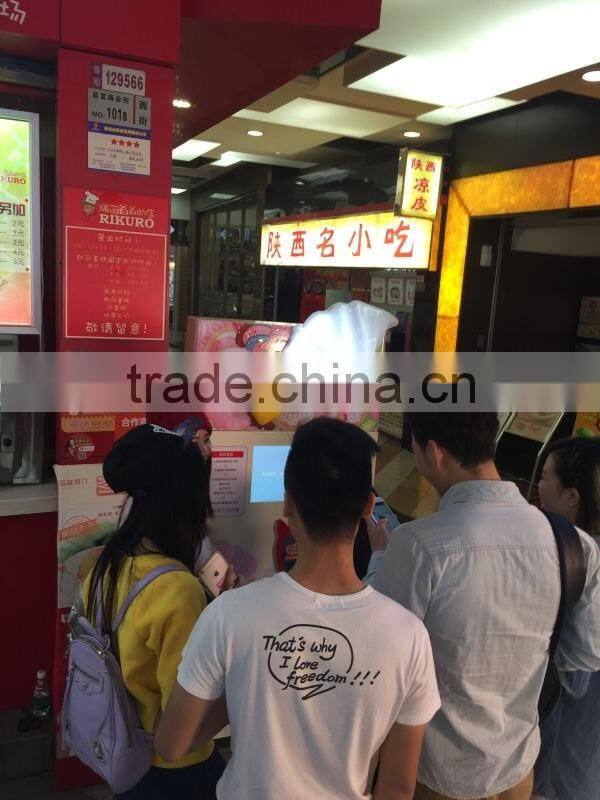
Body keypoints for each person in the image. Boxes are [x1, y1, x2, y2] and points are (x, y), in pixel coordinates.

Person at [156, 417, 441, 800]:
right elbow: (400, 785)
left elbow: (172, 745)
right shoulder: (409, 637)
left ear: (287, 502)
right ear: (368, 506)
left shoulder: (230, 615)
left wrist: (250, 686)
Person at [366, 413, 600, 800]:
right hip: (515, 770)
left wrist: (379, 557)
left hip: (436, 774)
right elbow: (584, 654)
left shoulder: (417, 545)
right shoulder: (576, 546)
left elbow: (382, 659)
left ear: (435, 452)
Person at [82, 423, 225, 799]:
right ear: (185, 501)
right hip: (176, 771)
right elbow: (182, 723)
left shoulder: (104, 566)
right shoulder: (177, 590)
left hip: (122, 752)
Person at [533, 436, 600, 800]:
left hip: (563, 758)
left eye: (545, 477)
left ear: (573, 496)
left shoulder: (578, 562)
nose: (538, 486)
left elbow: (576, 676)